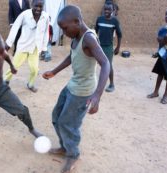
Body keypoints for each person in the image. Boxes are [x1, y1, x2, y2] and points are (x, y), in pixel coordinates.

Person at [42, 5, 110, 173]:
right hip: (73, 85)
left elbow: (105, 63)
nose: (64, 32)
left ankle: (73, 153)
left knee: (68, 123)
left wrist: (97, 96)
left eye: (65, 28)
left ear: (77, 21)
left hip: (83, 91)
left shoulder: (89, 39)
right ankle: (65, 147)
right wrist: (54, 71)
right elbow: (72, 56)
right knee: (56, 116)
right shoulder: (76, 36)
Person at [5, 0, 49, 93]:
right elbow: (15, 27)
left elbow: (46, 33)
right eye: (36, 6)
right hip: (23, 45)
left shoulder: (45, 17)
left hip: (35, 47)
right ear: (32, 5)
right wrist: (8, 43)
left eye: (40, 7)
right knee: (15, 66)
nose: (38, 9)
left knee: (34, 69)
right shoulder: (25, 14)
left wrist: (44, 48)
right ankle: (5, 81)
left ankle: (30, 84)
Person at [95, 3, 122, 92]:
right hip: (98, 46)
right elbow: (95, 32)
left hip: (108, 47)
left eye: (109, 9)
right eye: (105, 9)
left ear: (112, 11)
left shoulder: (115, 21)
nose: (106, 11)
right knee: (94, 64)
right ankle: (94, 84)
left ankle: (111, 84)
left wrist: (118, 47)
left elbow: (119, 34)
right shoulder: (99, 19)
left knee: (108, 65)